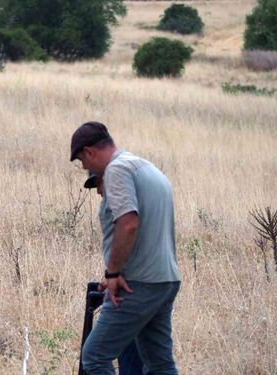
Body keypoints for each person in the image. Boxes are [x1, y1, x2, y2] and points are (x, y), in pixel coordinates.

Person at [71, 121, 181, 375]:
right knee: (159, 363)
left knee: (95, 357)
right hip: (165, 280)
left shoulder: (116, 170)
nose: (85, 168)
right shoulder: (145, 167)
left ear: (89, 152)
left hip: (138, 284)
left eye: (82, 161)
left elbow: (129, 224)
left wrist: (113, 274)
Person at [85, 172, 144, 375]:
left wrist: (115, 277)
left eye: (100, 184)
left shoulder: (129, 215)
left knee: (94, 357)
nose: (99, 191)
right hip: (137, 290)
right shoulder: (125, 210)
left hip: (134, 293)